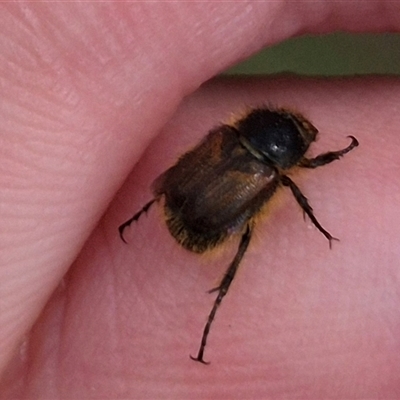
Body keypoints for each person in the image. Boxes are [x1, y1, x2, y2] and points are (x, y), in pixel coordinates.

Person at [1, 3, 399, 398]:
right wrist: (332, 182)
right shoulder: (273, 172)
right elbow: (306, 175)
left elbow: (180, 170)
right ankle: (217, 299)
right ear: (290, 157)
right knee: (244, 240)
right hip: (206, 226)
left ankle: (189, 268)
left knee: (242, 221)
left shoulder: (226, 137)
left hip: (189, 206)